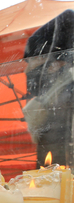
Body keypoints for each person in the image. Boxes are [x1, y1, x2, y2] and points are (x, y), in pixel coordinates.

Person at [23, 9, 74, 168]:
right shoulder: (53, 102)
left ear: (55, 63)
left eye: (32, 60)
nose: (26, 70)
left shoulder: (67, 99)